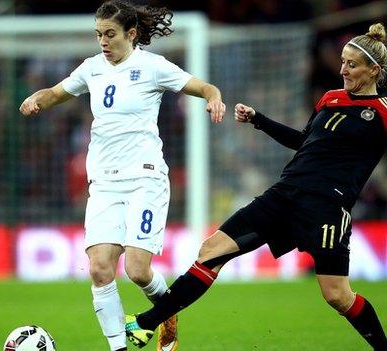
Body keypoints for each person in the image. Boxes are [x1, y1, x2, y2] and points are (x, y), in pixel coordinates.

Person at [125, 23, 387, 350]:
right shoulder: (330, 99)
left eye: (352, 64)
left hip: (327, 207)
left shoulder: (381, 114)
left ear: (374, 70)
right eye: (343, 61)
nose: (343, 69)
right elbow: (305, 142)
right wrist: (258, 120)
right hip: (285, 193)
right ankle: (145, 323)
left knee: (336, 295)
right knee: (210, 251)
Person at [19, 1, 225, 350]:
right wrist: (35, 99)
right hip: (104, 183)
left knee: (138, 270)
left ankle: (167, 312)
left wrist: (214, 99)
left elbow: (205, 87)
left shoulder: (152, 67)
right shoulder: (91, 69)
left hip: (145, 179)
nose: (103, 41)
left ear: (130, 34)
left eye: (110, 34)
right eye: (98, 34)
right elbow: (55, 93)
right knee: (100, 268)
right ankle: (118, 348)